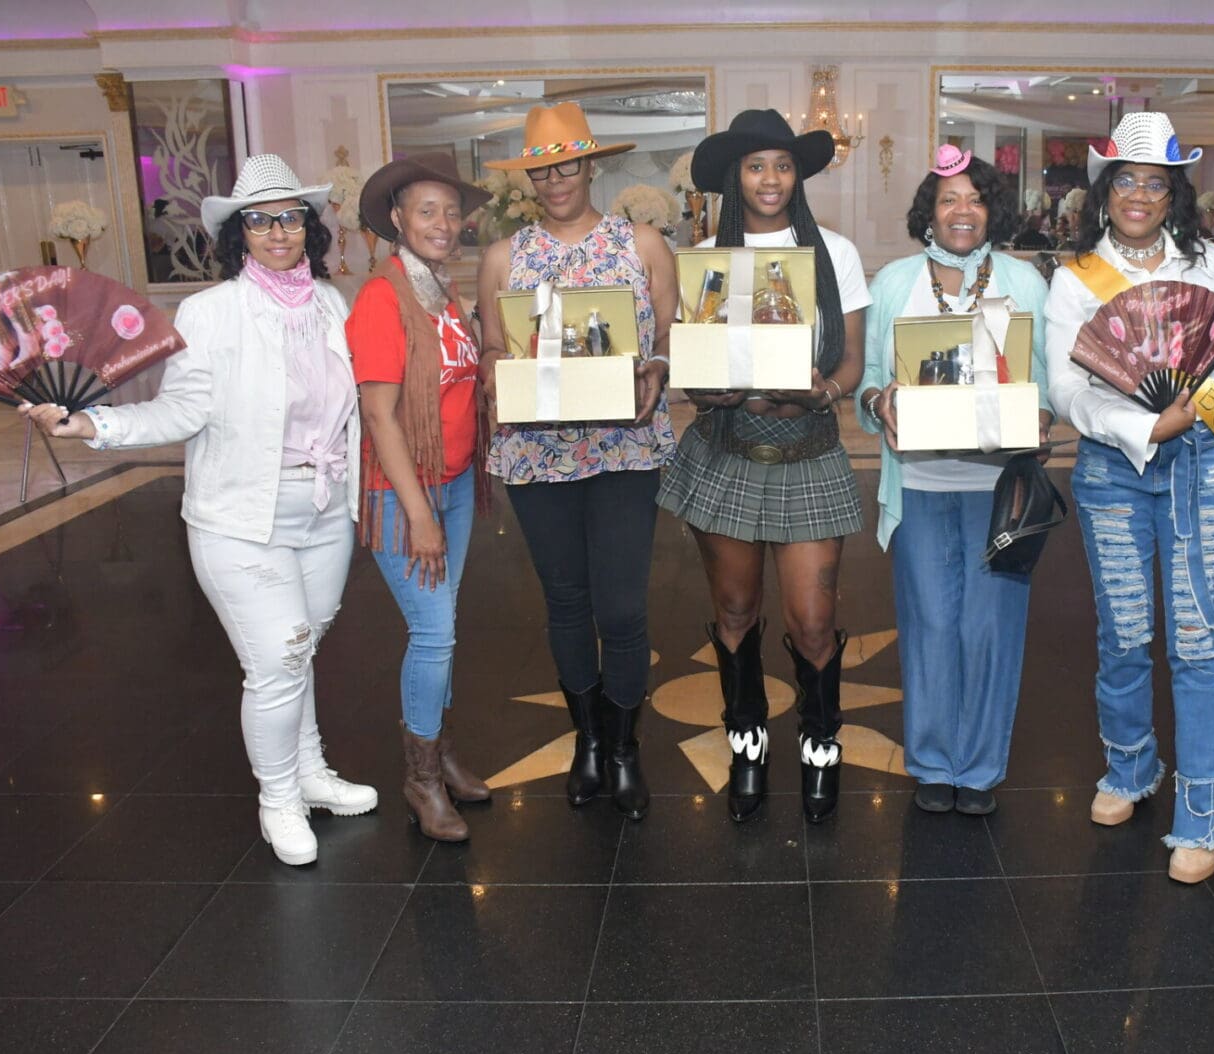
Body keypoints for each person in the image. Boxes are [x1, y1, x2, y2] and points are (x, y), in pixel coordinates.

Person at [19, 155, 376, 866]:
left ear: (308, 227)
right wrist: (96, 426)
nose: (278, 232)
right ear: (239, 234)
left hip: (325, 509)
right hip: (240, 518)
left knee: (303, 645)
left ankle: (309, 770)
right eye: (261, 221)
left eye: (290, 218)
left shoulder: (335, 303)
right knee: (277, 658)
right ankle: (277, 798)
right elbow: (181, 409)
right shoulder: (210, 313)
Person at [1045, 113, 1214, 884]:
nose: (1138, 194)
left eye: (1154, 184)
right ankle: (1130, 769)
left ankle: (1205, 811)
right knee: (1124, 632)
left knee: (1197, 641)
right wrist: (1140, 423)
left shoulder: (1208, 265)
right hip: (1111, 465)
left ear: (1173, 196)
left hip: (1200, 465)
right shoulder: (1076, 277)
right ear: (1106, 189)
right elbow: (1067, 385)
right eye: (1125, 179)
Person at [655, 108, 872, 825]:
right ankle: (745, 737)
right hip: (729, 450)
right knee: (736, 610)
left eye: (781, 165)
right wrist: (702, 387)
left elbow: (851, 358)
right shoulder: (708, 256)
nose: (770, 178)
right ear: (733, 178)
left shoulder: (833, 252)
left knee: (814, 619)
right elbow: (694, 359)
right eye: (756, 166)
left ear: (797, 174)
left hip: (808, 449)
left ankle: (820, 742)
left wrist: (829, 390)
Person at [477, 103, 677, 821]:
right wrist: (498, 369)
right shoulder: (505, 256)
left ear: (591, 165)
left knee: (621, 608)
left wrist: (655, 368)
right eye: (542, 167)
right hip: (538, 452)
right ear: (528, 174)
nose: (555, 178)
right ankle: (587, 742)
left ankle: (625, 749)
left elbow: (668, 336)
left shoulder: (644, 244)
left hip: (624, 447)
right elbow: (493, 348)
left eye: (567, 163)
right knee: (566, 603)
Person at [858, 146, 1052, 815]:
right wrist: (880, 402)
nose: (962, 210)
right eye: (948, 199)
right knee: (931, 624)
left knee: (990, 628)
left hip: (999, 487)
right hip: (919, 481)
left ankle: (981, 768)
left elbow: (1046, 382)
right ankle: (933, 762)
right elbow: (867, 383)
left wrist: (1042, 416)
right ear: (928, 213)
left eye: (974, 197)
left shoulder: (1024, 284)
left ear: (991, 209)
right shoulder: (894, 283)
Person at [349, 153, 494, 842]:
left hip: (457, 482)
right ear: (398, 220)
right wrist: (417, 515)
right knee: (433, 634)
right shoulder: (383, 296)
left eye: (450, 211)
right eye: (426, 211)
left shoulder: (439, 286)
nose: (443, 222)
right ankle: (421, 779)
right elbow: (378, 415)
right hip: (406, 495)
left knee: (444, 630)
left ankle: (439, 751)